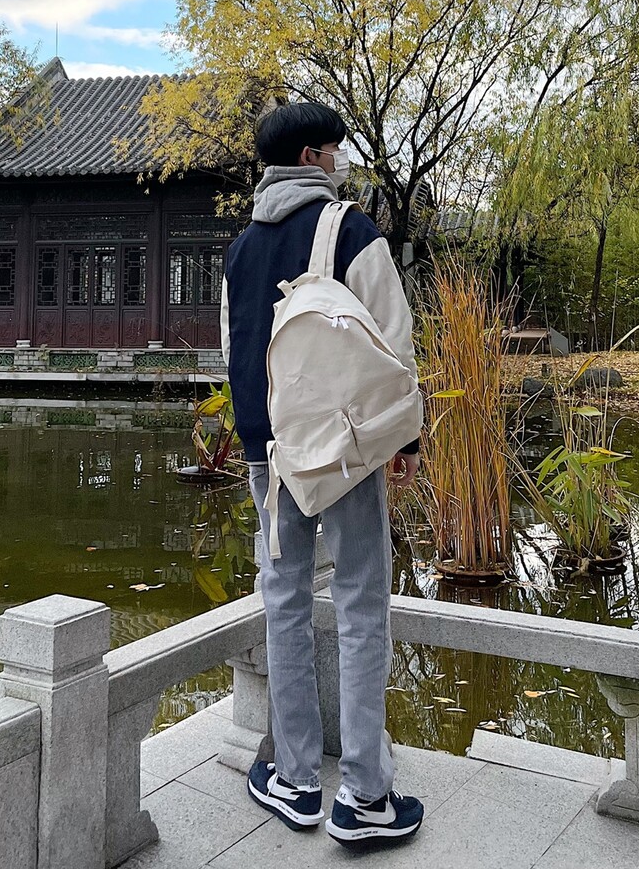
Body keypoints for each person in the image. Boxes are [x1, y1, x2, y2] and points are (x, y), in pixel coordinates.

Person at [219, 101, 424, 847]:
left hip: (268, 454)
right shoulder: (351, 231)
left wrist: (256, 440)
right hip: (341, 450)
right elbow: (393, 341)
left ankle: (296, 778)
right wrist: (406, 440)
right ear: (310, 157)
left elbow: (234, 350)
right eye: (333, 149)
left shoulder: (240, 250)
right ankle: (365, 795)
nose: (340, 160)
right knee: (362, 601)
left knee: (285, 601)